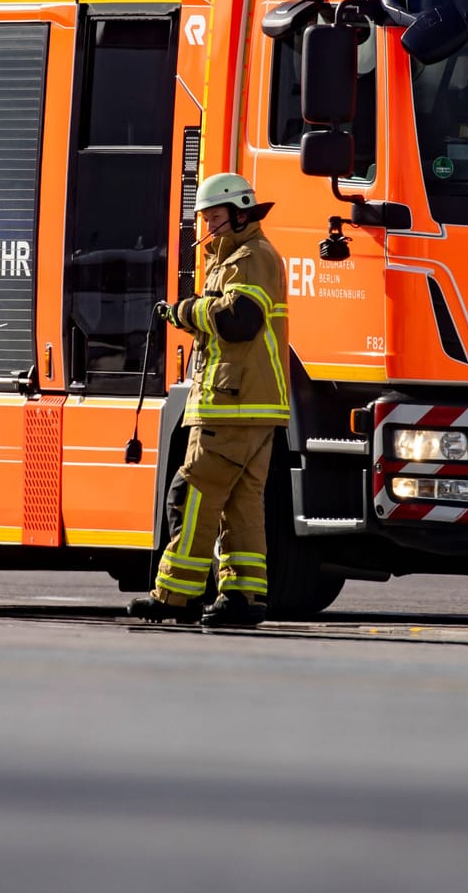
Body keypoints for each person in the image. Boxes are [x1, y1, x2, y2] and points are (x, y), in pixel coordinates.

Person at [133, 172, 289, 628]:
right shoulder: (246, 256)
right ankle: (243, 597)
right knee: (242, 503)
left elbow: (240, 320)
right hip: (252, 405)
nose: (209, 228)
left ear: (241, 213)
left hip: (232, 403)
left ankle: (172, 597)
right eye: (205, 218)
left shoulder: (248, 258)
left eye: (216, 217)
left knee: (192, 493)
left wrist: (184, 310)